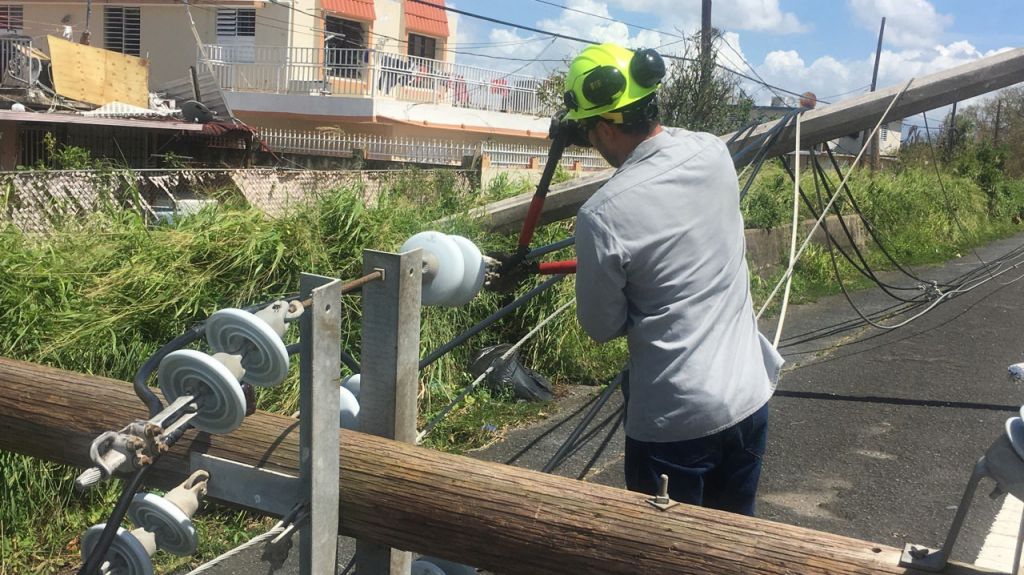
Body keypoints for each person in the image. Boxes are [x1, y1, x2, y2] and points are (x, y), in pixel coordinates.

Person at [564, 43, 784, 516]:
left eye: (589, 130)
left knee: (660, 556)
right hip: (748, 397)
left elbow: (601, 327)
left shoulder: (601, 215)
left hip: (676, 424)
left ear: (603, 127)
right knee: (732, 548)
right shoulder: (714, 151)